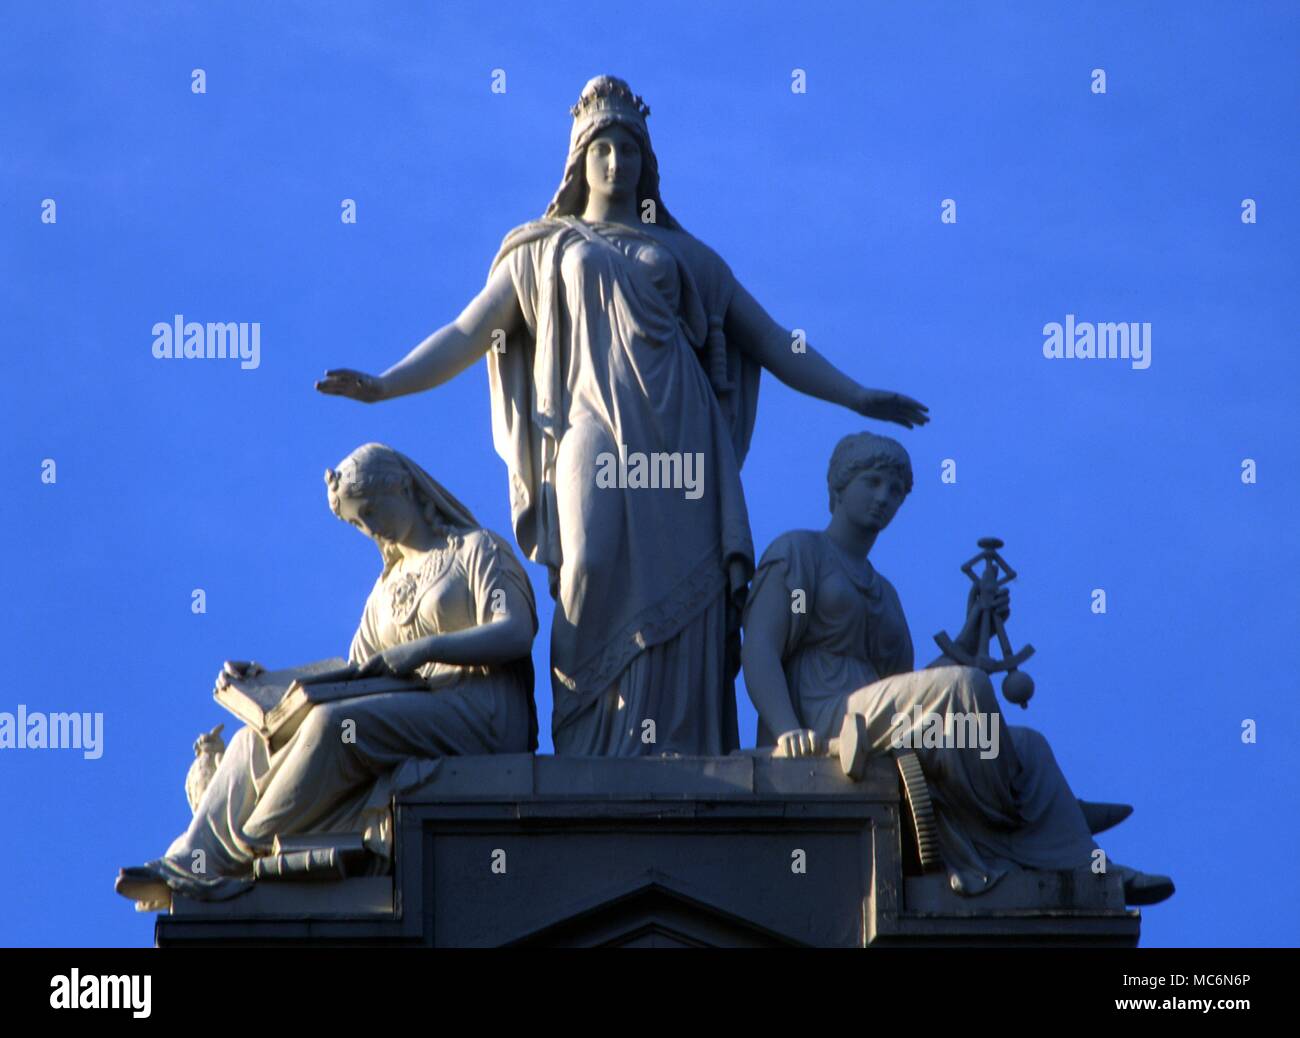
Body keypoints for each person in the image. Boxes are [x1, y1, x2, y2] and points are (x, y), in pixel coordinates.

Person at [316, 75, 928, 756]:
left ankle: (683, 752)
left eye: (628, 151)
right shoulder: (543, 248)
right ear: (579, 162)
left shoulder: (689, 257)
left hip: (681, 432)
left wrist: (855, 394)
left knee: (685, 592)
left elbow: (776, 340)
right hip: (590, 426)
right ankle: (590, 747)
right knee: (588, 565)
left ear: (646, 164)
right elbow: (467, 331)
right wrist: (385, 385)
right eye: (601, 150)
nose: (615, 163)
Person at [740, 431, 1174, 904]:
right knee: (965, 687)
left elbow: (909, 690)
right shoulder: (799, 551)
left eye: (897, 491)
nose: (884, 498)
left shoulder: (884, 592)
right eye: (873, 482)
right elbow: (759, 647)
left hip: (878, 714)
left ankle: (1091, 866)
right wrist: (785, 730)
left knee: (1028, 745)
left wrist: (973, 629)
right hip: (829, 715)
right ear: (840, 487)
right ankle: (1020, 806)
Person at [115, 443, 537, 908]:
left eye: (372, 511)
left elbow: (515, 633)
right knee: (251, 742)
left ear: (404, 486)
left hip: (481, 710)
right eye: (359, 522)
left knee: (334, 727)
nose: (371, 528)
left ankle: (245, 855)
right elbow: (351, 677)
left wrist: (425, 649)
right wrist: (267, 681)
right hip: (415, 710)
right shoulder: (383, 592)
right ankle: (190, 861)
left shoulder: (475, 549)